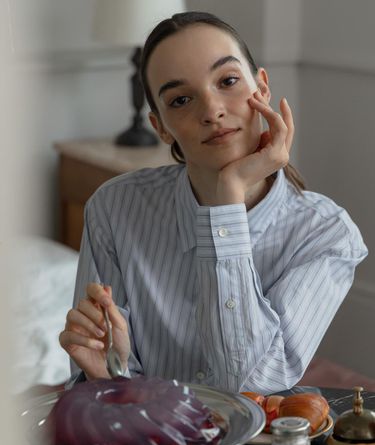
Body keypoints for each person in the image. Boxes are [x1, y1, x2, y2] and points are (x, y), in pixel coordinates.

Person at [60, 11, 367, 394]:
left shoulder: (327, 234)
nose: (211, 110)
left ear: (263, 88)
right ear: (160, 127)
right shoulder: (114, 208)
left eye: (228, 81)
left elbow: (252, 383)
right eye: (181, 99)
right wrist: (109, 374)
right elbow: (111, 382)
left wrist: (227, 202)